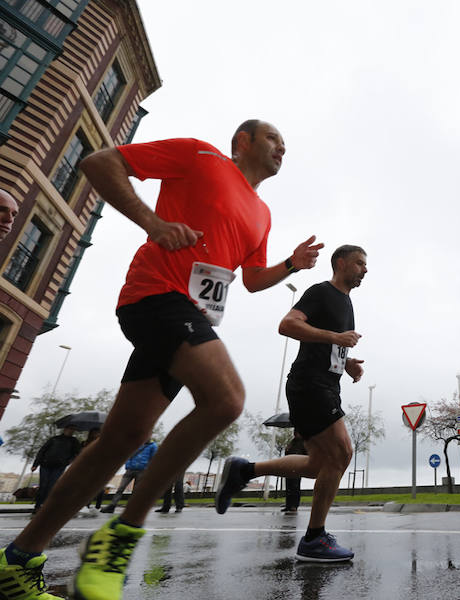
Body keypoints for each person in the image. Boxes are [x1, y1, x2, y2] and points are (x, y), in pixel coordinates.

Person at [0, 119, 323, 600]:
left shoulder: (262, 212)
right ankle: (121, 537)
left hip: (189, 316)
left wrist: (292, 266)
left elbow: (253, 279)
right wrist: (152, 222)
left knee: (120, 441)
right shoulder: (199, 156)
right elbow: (100, 163)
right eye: (275, 138)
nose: (283, 148)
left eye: (286, 143)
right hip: (155, 297)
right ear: (243, 141)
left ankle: (17, 564)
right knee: (227, 399)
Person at [216, 244, 367, 563]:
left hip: (325, 384)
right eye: (359, 264)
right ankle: (314, 538)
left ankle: (244, 470)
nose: (364, 270)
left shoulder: (346, 302)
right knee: (342, 454)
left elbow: (329, 345)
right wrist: (336, 338)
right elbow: (287, 325)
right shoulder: (321, 292)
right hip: (310, 385)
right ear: (340, 263)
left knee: (318, 465)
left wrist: (347, 361)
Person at [30, 426, 80, 513]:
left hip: (59, 466)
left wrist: (68, 462)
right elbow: (42, 451)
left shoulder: (74, 441)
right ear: (64, 429)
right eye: (68, 428)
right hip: (45, 464)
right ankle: (38, 505)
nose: (70, 430)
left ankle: (45, 505)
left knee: (51, 486)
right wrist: (35, 464)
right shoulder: (54, 439)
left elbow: (76, 454)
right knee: (43, 485)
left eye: (72, 429)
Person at [99, 439, 157, 513]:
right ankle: (112, 506)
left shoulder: (153, 446)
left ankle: (132, 508)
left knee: (136, 491)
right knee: (121, 488)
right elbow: (129, 454)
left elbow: (153, 458)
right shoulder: (136, 443)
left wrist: (147, 468)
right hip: (130, 469)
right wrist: (128, 465)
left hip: (142, 471)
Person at [282, 430, 307, 514]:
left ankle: (294, 505)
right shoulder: (292, 442)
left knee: (295, 487)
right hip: (288, 467)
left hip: (297, 467)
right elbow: (287, 452)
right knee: (289, 487)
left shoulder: (303, 442)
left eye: (296, 432)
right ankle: (288, 505)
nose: (295, 434)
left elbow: (306, 454)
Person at [82, 429, 105, 510]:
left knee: (100, 488)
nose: (97, 434)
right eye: (95, 433)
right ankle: (86, 504)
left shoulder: (102, 444)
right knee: (87, 487)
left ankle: (98, 506)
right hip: (87, 467)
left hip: (98, 467)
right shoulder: (85, 443)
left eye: (98, 433)